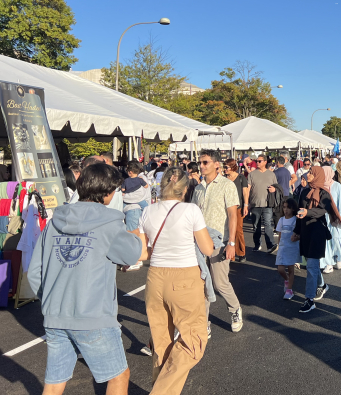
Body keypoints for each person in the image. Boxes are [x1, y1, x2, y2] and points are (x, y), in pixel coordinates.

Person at [28, 163, 144, 395]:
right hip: (93, 315)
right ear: (108, 192)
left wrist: (50, 300)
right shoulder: (109, 222)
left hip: (55, 314)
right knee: (119, 376)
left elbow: (34, 272)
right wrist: (139, 233)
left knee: (54, 383)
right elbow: (132, 254)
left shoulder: (54, 222)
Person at [138, 167, 214, 394]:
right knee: (194, 340)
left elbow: (142, 254)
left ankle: (160, 386)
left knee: (161, 343)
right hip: (184, 275)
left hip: (155, 277)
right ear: (186, 188)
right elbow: (207, 248)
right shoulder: (191, 210)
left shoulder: (148, 211)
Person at [191, 149, 243, 333]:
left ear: (216, 164)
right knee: (202, 281)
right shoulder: (197, 188)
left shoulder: (227, 185)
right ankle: (204, 322)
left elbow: (232, 215)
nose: (202, 166)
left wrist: (231, 243)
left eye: (205, 162)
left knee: (220, 282)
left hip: (219, 241)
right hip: (199, 240)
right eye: (201, 162)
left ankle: (235, 309)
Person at [295, 167, 336, 313]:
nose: (308, 174)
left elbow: (322, 210)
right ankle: (322, 286)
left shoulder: (324, 193)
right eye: (309, 172)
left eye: (311, 173)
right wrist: (296, 231)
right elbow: (300, 211)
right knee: (313, 265)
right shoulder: (305, 191)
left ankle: (309, 299)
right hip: (306, 231)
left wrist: (308, 212)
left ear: (318, 175)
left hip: (317, 232)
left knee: (311, 265)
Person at [247, 154, 278, 254]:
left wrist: (274, 189)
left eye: (259, 161)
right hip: (255, 203)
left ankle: (271, 245)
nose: (257, 163)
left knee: (268, 224)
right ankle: (257, 244)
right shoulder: (252, 174)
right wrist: (247, 203)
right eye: (257, 161)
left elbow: (276, 187)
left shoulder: (271, 174)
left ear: (265, 162)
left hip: (267, 204)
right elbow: (248, 189)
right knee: (256, 226)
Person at [321, 166, 341, 273]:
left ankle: (338, 257)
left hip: (335, 216)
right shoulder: (320, 186)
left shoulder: (337, 186)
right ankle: (329, 263)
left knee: (336, 238)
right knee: (326, 240)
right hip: (324, 216)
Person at [223, 159, 249, 262]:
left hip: (238, 207)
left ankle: (241, 252)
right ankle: (231, 255)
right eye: (224, 167)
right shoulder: (223, 179)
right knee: (228, 230)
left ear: (233, 167)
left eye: (226, 167)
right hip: (225, 207)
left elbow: (245, 193)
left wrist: (246, 206)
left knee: (238, 230)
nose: (224, 169)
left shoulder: (241, 178)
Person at [276, 198, 302, 300]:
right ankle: (286, 280)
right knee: (280, 269)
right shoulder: (281, 220)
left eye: (288, 208)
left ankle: (289, 290)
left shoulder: (296, 220)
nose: (285, 210)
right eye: (284, 207)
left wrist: (297, 238)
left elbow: (300, 234)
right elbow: (280, 234)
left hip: (292, 248)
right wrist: (279, 246)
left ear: (293, 209)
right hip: (283, 247)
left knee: (291, 269)